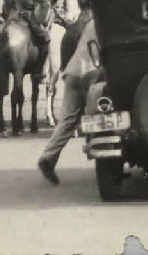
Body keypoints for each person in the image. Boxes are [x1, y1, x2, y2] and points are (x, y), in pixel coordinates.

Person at [37, 14, 102, 184]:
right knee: (99, 113)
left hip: (73, 71)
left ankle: (48, 156)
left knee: (67, 119)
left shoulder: (88, 24)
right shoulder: (108, 23)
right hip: (93, 73)